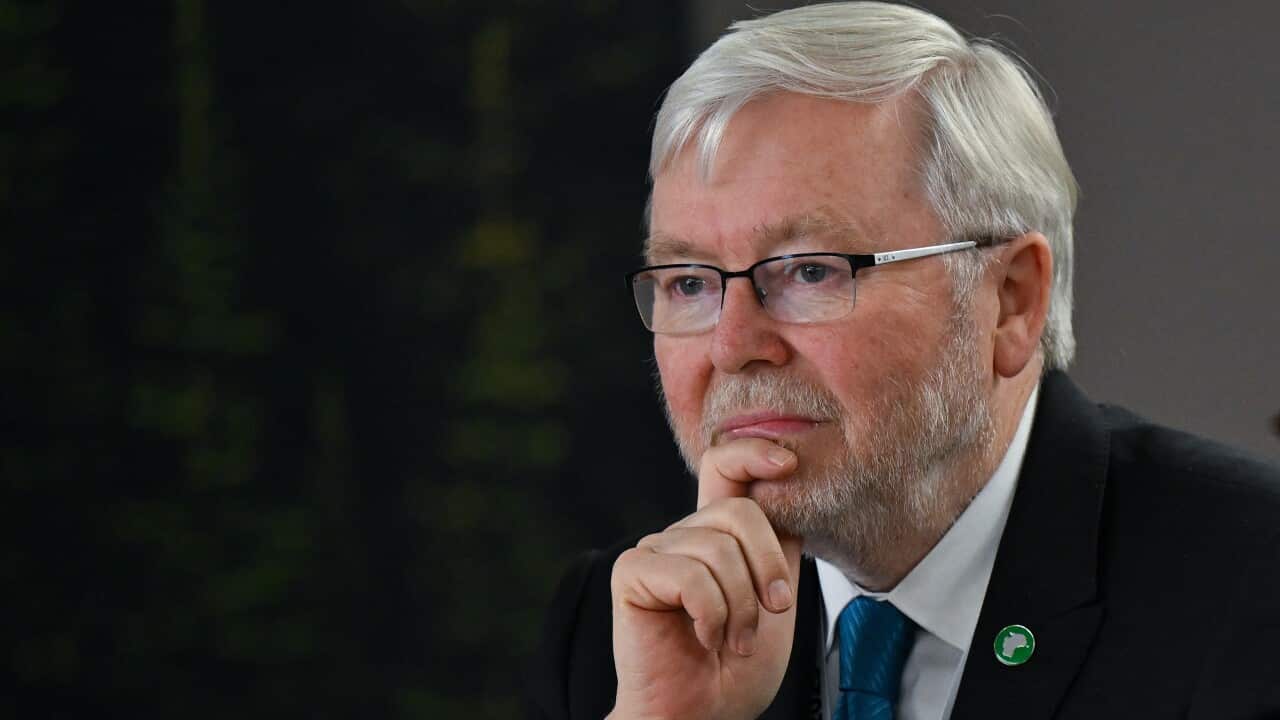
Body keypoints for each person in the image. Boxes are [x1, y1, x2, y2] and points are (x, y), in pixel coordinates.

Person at [525, 3, 1280, 719]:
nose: (731, 346)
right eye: (689, 283)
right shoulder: (626, 635)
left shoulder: (1251, 591)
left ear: (1012, 300)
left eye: (810, 271)